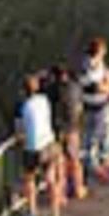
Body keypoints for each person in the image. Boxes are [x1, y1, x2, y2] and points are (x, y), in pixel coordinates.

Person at [16, 73, 62, 216]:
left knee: (29, 179)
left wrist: (21, 140)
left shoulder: (22, 107)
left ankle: (32, 211)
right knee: (51, 180)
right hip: (48, 143)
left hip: (33, 148)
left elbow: (19, 132)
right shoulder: (44, 100)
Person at [46, 64, 88, 201]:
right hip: (72, 128)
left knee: (60, 162)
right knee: (75, 159)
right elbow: (80, 106)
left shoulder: (51, 90)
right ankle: (78, 188)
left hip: (56, 129)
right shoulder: (75, 87)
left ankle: (61, 194)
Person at [79, 37, 109, 183]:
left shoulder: (96, 62)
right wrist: (108, 86)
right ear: (99, 50)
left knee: (106, 130)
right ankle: (92, 162)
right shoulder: (89, 66)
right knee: (94, 134)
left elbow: (104, 76)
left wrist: (108, 79)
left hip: (101, 102)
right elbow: (95, 86)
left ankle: (105, 155)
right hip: (95, 103)